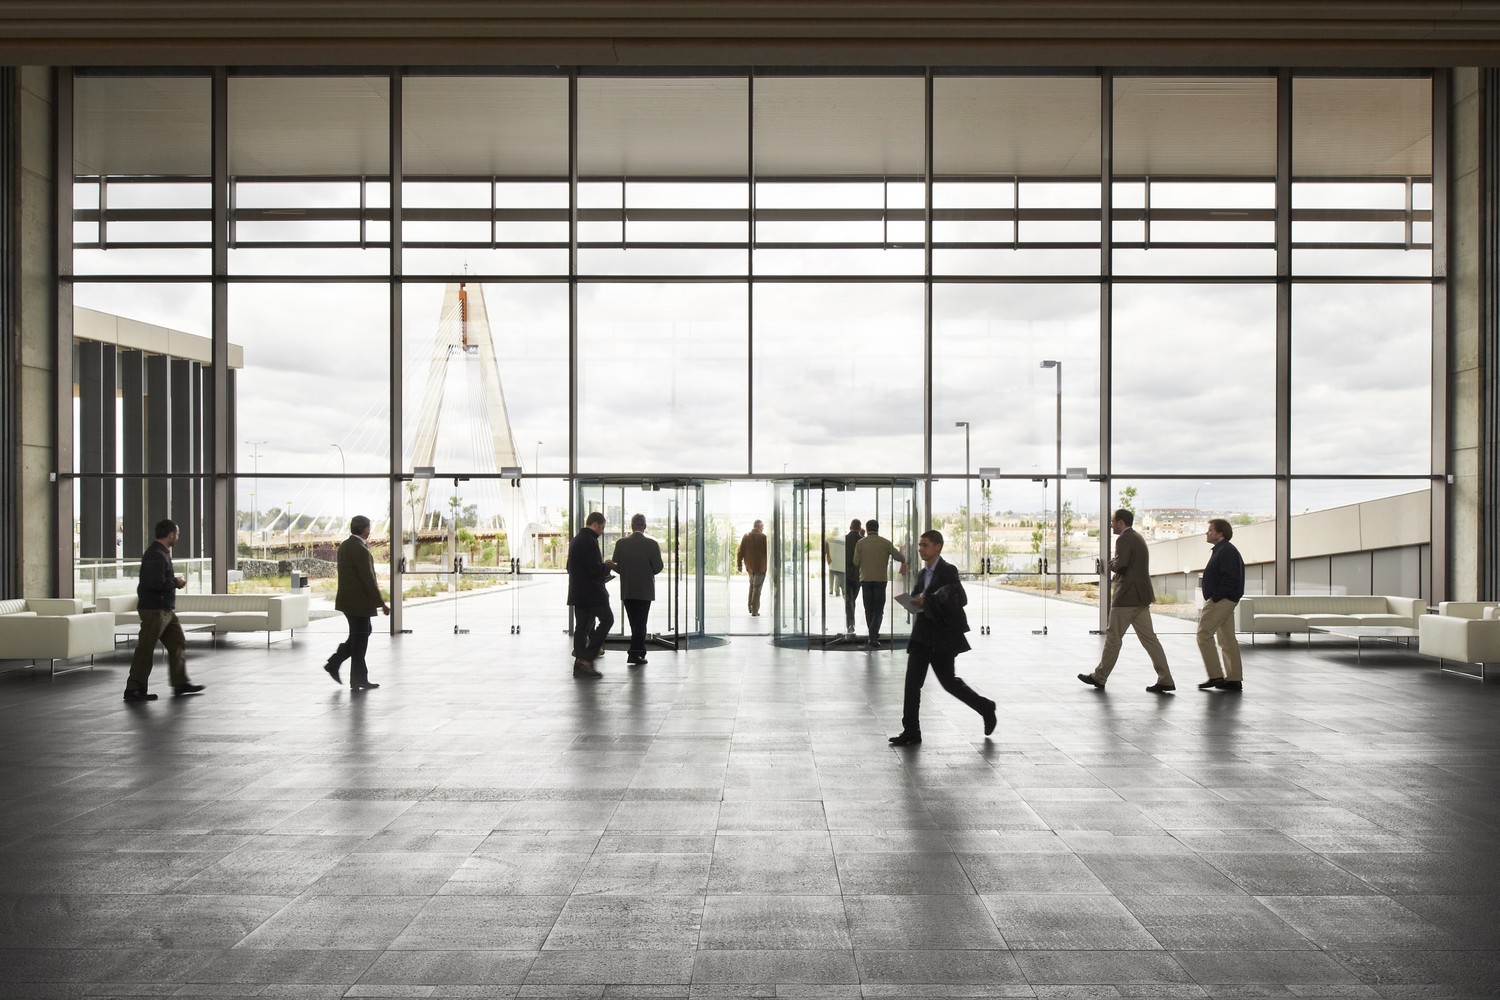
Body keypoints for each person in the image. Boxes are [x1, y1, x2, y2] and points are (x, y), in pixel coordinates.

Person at [889, 530, 996, 746]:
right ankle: (911, 731)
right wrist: (914, 601)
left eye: (925, 545)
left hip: (941, 638)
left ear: (938, 547)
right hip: (922, 636)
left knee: (949, 683)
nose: (920, 549)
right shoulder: (921, 573)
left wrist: (925, 601)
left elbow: (957, 599)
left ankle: (985, 707)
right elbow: (921, 596)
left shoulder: (948, 571)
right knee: (912, 685)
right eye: (920, 545)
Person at [1079, 508, 1176, 693]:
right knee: (1150, 640)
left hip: (1126, 598)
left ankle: (1099, 677)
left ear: (1121, 522)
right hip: (1141, 597)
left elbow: (1121, 565)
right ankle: (1166, 678)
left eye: (1113, 521)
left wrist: (1110, 563)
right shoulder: (1137, 538)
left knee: (1113, 638)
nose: (1111, 524)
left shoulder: (1124, 539)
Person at [124, 518, 204, 702]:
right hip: (155, 610)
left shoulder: (161, 553)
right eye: (177, 533)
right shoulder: (156, 555)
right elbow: (154, 583)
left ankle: (180, 683)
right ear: (170, 535)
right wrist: (175, 582)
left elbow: (157, 579)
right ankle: (134, 688)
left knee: (177, 642)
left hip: (165, 609)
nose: (178, 536)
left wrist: (171, 581)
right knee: (146, 648)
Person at [323, 514, 390, 691]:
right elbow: (368, 579)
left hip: (347, 601)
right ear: (364, 529)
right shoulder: (361, 549)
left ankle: (336, 664)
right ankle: (355, 677)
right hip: (359, 603)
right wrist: (381, 603)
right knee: (360, 640)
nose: (370, 531)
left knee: (360, 635)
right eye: (369, 527)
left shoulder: (345, 546)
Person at [1197, 517, 1245, 692]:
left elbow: (1230, 579)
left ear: (1220, 533)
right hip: (1224, 599)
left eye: (1210, 530)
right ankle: (1233, 678)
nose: (1207, 532)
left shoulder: (1226, 551)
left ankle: (1215, 675)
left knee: (1203, 634)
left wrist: (1215, 598)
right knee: (1226, 638)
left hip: (1221, 600)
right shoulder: (1223, 550)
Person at [567, 511, 616, 678]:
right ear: (595, 524)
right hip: (592, 594)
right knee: (607, 620)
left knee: (582, 626)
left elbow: (572, 567)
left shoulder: (576, 540)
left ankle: (580, 664)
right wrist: (607, 566)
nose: (602, 532)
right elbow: (593, 569)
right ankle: (587, 658)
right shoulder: (590, 541)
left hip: (578, 592)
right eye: (601, 528)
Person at [612, 513, 664, 666]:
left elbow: (618, 567)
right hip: (645, 590)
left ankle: (639, 652)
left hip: (627, 589)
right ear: (645, 526)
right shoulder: (652, 544)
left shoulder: (621, 543)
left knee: (635, 623)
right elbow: (658, 567)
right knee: (641, 623)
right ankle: (634, 654)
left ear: (631, 526)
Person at [853, 519, 906, 647]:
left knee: (868, 609)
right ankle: (873, 636)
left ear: (867, 528)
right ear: (878, 528)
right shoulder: (885, 543)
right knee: (878, 610)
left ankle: (872, 636)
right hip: (880, 581)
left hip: (865, 580)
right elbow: (900, 558)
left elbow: (855, 562)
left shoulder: (860, 543)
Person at [736, 520, 768, 616]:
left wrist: (739, 564)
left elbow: (740, 551)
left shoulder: (746, 536)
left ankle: (750, 608)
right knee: (757, 589)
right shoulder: (763, 537)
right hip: (760, 567)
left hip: (750, 567)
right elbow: (768, 552)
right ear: (758, 527)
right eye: (762, 527)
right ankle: (754, 610)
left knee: (752, 587)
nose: (763, 529)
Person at [843, 518, 864, 634]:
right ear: (860, 528)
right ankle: (851, 624)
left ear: (850, 527)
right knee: (852, 600)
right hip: (858, 575)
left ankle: (850, 624)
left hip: (846, 574)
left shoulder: (844, 540)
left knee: (849, 601)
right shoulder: (863, 540)